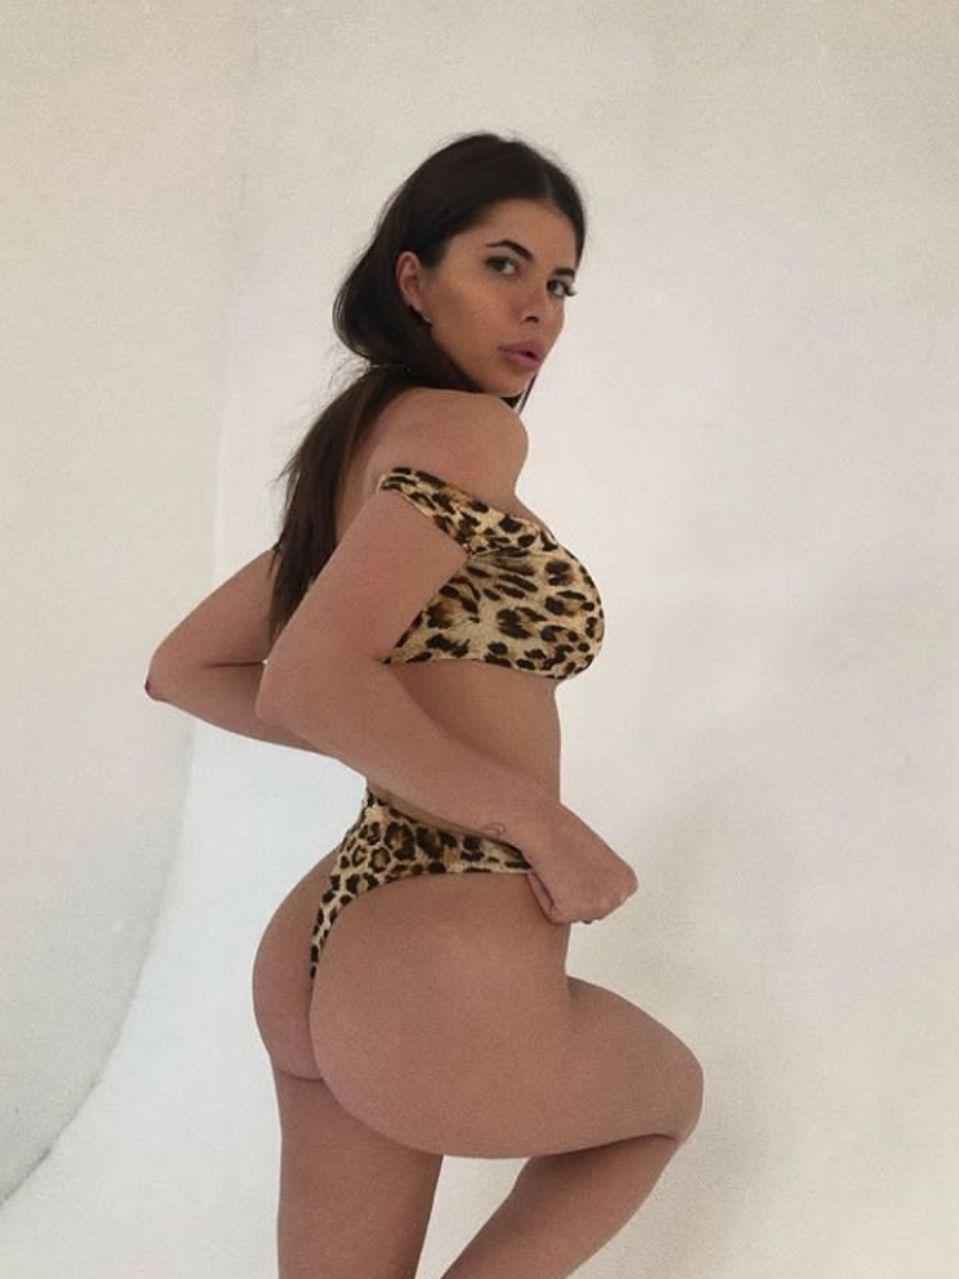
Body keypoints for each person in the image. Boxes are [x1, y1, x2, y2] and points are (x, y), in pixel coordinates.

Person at [148, 131, 703, 1279]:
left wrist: (397, 741)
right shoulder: (466, 431)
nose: (537, 308)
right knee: (665, 1101)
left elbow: (189, 666)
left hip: (330, 939)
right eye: (501, 264)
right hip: (445, 941)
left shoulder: (365, 458)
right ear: (413, 278)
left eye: (558, 283)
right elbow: (308, 675)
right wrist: (537, 821)